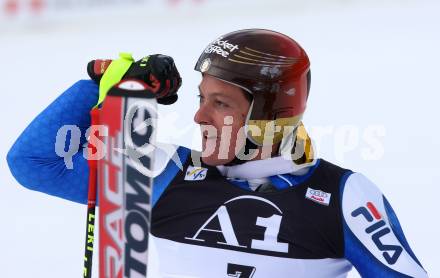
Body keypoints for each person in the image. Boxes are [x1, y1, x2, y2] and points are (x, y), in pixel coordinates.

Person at [7, 29, 428, 277]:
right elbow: (34, 163)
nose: (198, 116)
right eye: (201, 98)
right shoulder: (164, 172)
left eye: (220, 103)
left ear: (267, 116)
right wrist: (97, 84)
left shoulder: (342, 196)